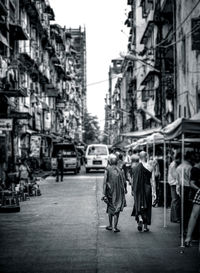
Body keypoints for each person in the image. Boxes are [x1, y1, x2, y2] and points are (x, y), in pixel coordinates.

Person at [131, 151, 156, 232]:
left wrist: (132, 189)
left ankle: (140, 221)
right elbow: (153, 180)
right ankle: (145, 227)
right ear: (146, 156)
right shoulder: (150, 166)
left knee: (139, 204)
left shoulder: (135, 166)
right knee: (147, 206)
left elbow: (133, 180)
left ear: (139, 157)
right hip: (147, 188)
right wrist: (154, 192)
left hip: (138, 189)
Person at [102, 154, 127, 232]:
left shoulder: (107, 169)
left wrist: (103, 193)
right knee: (117, 208)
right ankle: (115, 227)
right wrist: (125, 190)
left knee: (110, 207)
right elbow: (124, 181)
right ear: (116, 162)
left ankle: (110, 225)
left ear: (110, 162)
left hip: (110, 191)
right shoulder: (121, 170)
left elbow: (104, 182)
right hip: (119, 192)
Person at [176, 152, 192, 234]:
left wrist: (178, 190)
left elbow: (178, 180)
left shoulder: (178, 167)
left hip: (181, 188)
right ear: (188, 159)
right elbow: (190, 179)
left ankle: (182, 230)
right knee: (188, 210)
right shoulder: (189, 167)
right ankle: (186, 229)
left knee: (182, 209)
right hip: (188, 188)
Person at [168, 152, 181, 223]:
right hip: (173, 183)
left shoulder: (173, 164)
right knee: (175, 201)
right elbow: (174, 175)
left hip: (173, 183)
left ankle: (174, 217)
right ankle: (175, 217)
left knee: (174, 201)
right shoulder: (174, 164)